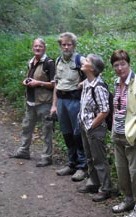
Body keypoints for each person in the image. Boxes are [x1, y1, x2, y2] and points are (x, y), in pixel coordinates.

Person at [109, 50, 136, 217]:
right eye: (116, 65)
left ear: (129, 63)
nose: (119, 68)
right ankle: (128, 199)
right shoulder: (116, 82)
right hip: (118, 134)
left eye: (122, 64)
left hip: (133, 136)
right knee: (122, 170)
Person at [9, 38, 55, 167]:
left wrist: (38, 83)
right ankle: (24, 150)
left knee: (46, 130)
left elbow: (54, 84)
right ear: (32, 48)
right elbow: (32, 77)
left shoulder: (49, 63)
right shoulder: (32, 61)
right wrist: (27, 81)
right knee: (26, 127)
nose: (38, 48)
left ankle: (47, 157)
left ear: (45, 48)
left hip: (44, 102)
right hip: (31, 101)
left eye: (40, 46)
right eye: (35, 46)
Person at [50, 32, 88, 182]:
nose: (66, 47)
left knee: (78, 134)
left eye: (69, 44)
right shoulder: (58, 60)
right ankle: (71, 163)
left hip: (75, 100)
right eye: (63, 44)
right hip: (61, 100)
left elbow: (95, 76)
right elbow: (56, 84)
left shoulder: (81, 60)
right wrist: (54, 105)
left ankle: (82, 166)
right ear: (60, 46)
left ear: (74, 45)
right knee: (66, 133)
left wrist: (83, 83)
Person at [76, 54, 113, 202]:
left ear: (92, 68)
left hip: (94, 128)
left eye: (87, 61)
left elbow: (105, 110)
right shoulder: (87, 83)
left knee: (99, 159)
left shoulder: (98, 87)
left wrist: (92, 126)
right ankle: (93, 182)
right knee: (89, 157)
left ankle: (105, 189)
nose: (83, 61)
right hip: (86, 125)